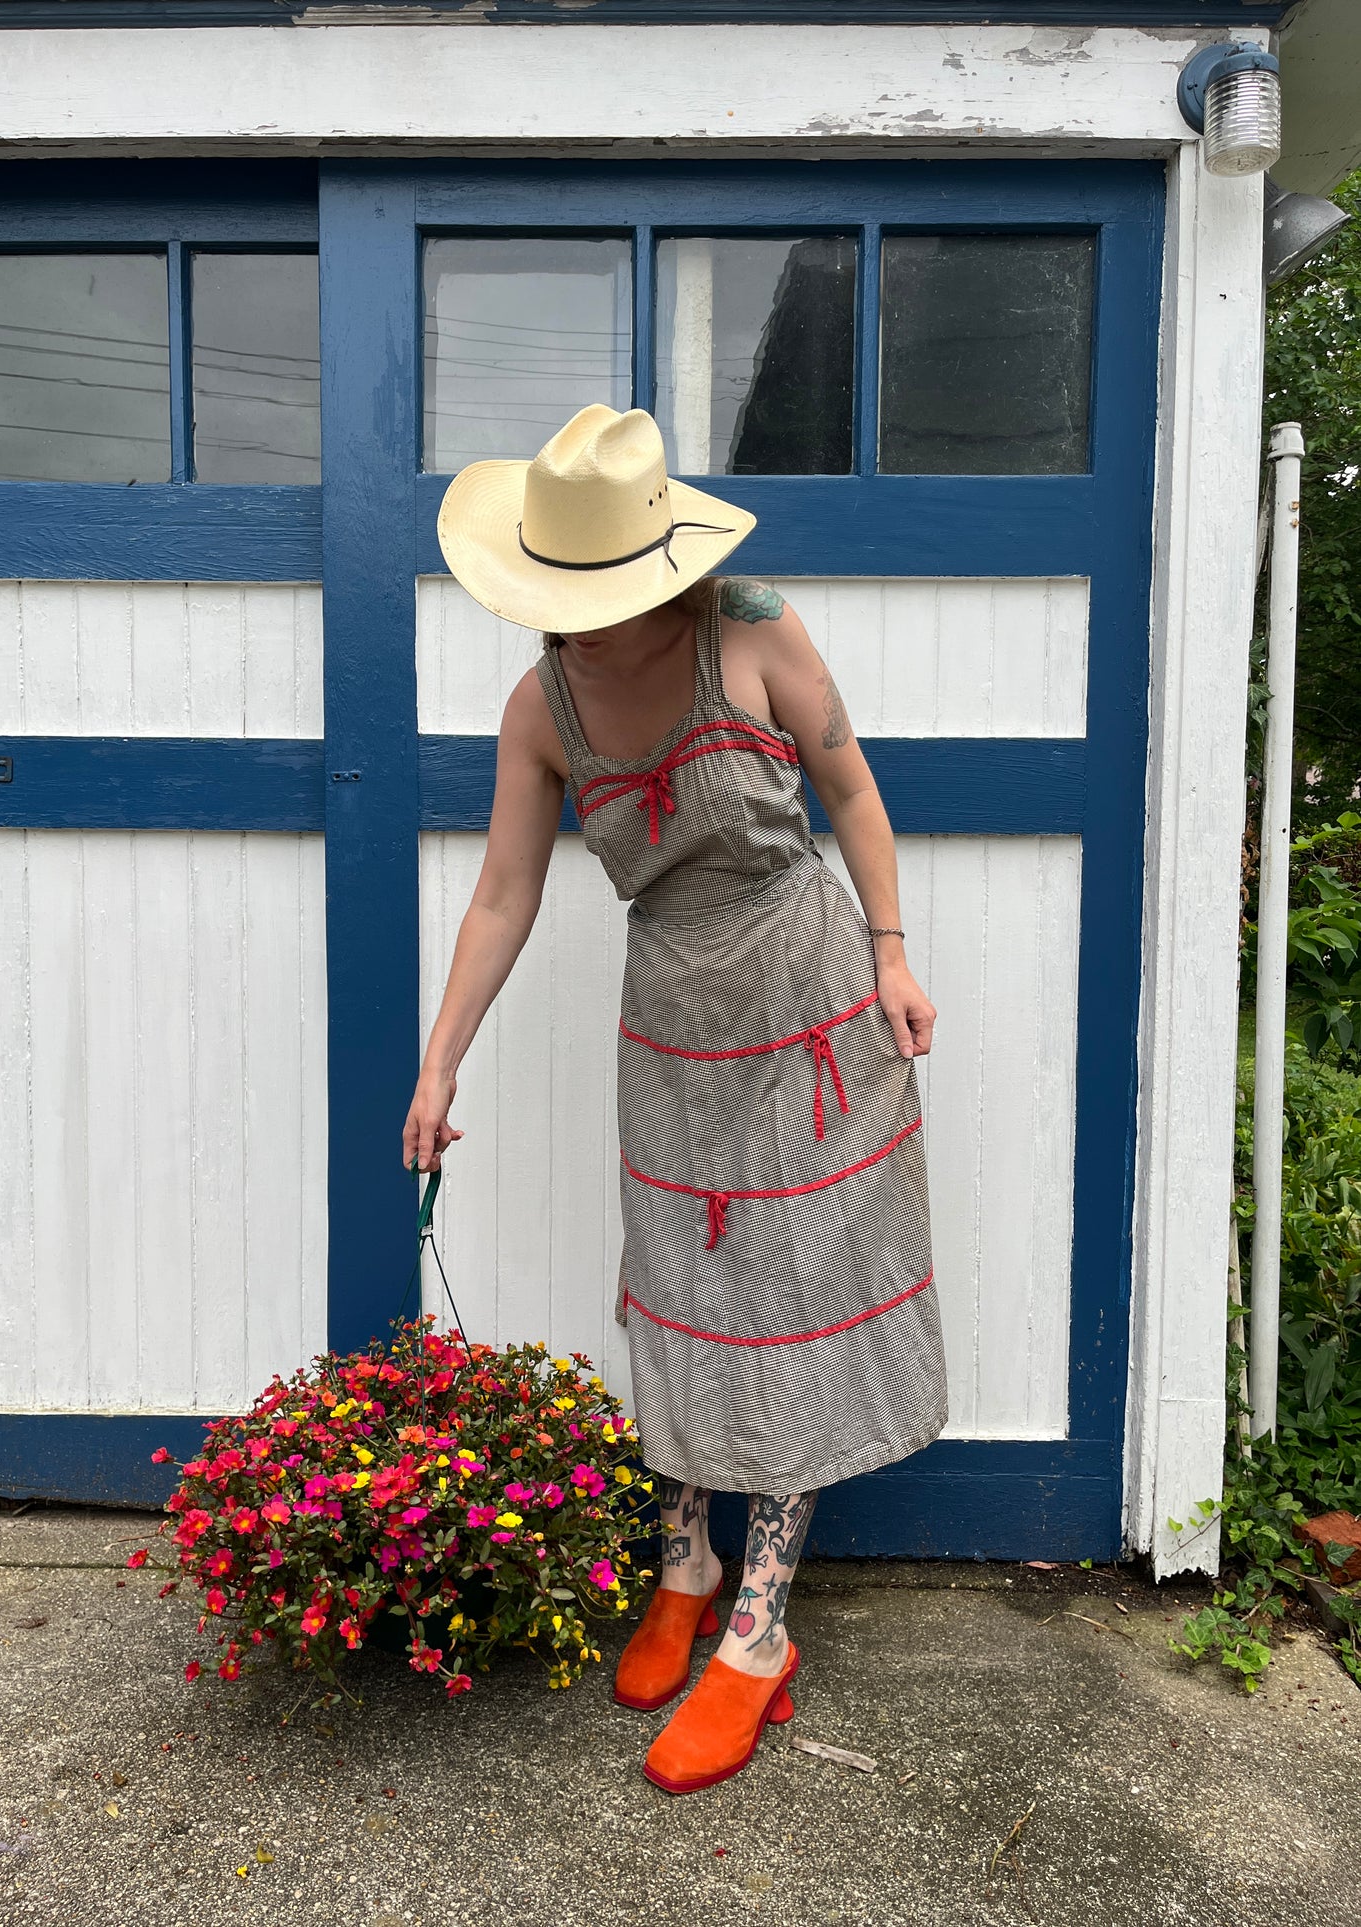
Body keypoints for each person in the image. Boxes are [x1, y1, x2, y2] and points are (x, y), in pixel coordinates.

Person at [405, 403, 948, 1794]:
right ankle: (685, 1562)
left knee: (791, 1297)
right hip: (675, 1018)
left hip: (809, 996)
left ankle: (760, 1630)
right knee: (685, 1284)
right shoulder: (544, 705)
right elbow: (502, 892)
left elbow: (854, 798)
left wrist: (891, 955)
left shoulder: (753, 630)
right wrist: (439, 1060)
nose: (581, 619)